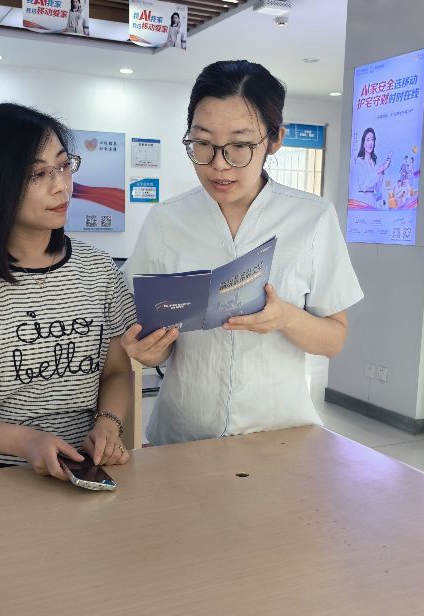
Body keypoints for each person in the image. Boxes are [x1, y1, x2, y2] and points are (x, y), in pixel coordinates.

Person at [121, 60, 363, 446]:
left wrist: (285, 317)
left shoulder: (312, 218)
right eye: (203, 143)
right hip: (183, 436)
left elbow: (333, 340)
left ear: (275, 139)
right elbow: (147, 339)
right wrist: (147, 352)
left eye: (240, 145)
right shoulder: (167, 221)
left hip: (279, 435)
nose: (219, 164)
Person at [0, 103, 137, 477]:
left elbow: (116, 370)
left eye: (64, 166)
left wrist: (108, 423)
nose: (61, 185)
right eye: (38, 174)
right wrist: (26, 442)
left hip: (83, 465)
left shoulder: (99, 270)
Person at [352, 127, 391, 208]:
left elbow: (377, 186)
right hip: (363, 202)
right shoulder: (360, 161)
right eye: (368, 140)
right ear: (363, 143)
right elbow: (364, 186)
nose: (370, 143)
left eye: (372, 139)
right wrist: (378, 171)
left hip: (374, 202)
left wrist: (382, 171)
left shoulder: (374, 162)